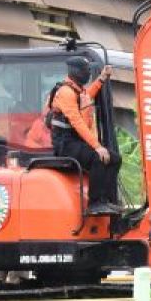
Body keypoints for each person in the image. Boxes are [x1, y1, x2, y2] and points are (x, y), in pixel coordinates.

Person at [47, 56, 121, 214]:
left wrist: (101, 79)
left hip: (75, 142)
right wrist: (98, 147)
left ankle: (106, 200)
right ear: (75, 71)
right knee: (97, 158)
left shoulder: (77, 90)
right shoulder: (66, 92)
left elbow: (88, 95)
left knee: (115, 159)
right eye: (85, 71)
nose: (87, 74)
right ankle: (94, 204)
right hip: (65, 145)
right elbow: (77, 123)